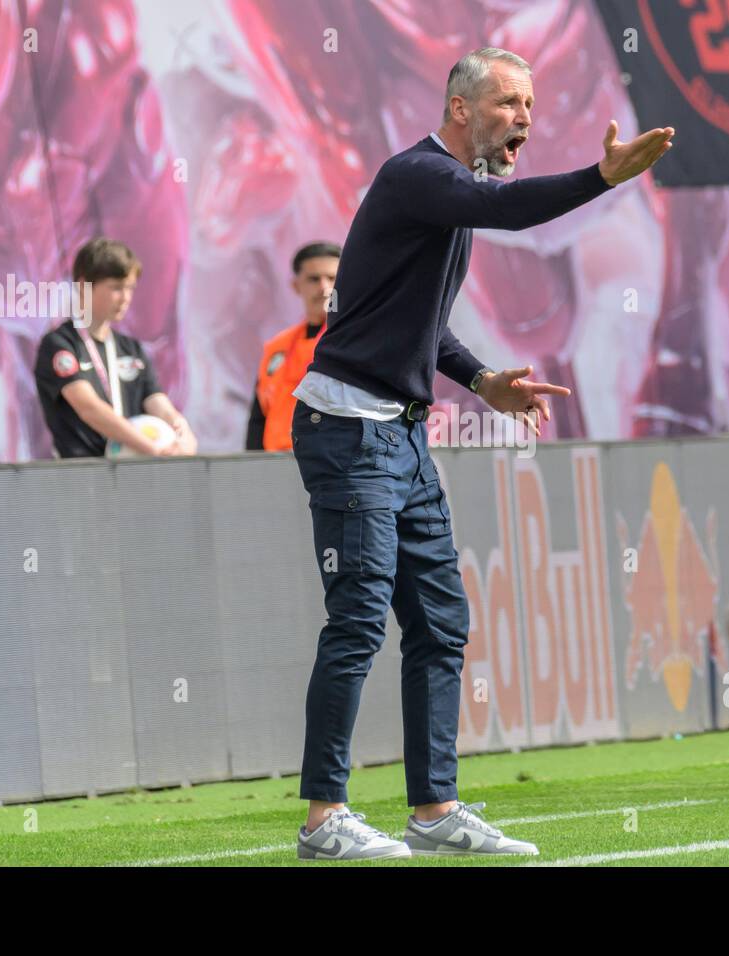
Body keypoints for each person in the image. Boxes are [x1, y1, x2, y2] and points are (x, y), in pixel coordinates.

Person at [290, 47, 673, 861]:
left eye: (530, 104)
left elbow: (422, 321)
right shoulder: (418, 176)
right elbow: (509, 211)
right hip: (349, 427)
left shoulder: (445, 197)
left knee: (439, 621)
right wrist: (600, 179)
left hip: (400, 432)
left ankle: (432, 811)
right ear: (460, 108)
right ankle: (324, 820)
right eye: (507, 102)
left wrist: (481, 380)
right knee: (358, 620)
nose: (524, 118)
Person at [34, 238, 198, 458]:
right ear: (84, 286)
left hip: (132, 474)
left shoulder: (131, 349)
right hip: (82, 476)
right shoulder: (60, 345)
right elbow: (89, 408)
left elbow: (156, 400)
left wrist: (180, 428)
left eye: (130, 288)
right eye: (116, 288)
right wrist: (151, 448)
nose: (126, 298)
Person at [244, 242, 339, 451]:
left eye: (332, 278)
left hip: (329, 463)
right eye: (314, 279)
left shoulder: (349, 342)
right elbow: (259, 416)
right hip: (273, 464)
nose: (324, 287)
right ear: (296, 285)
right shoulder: (277, 346)